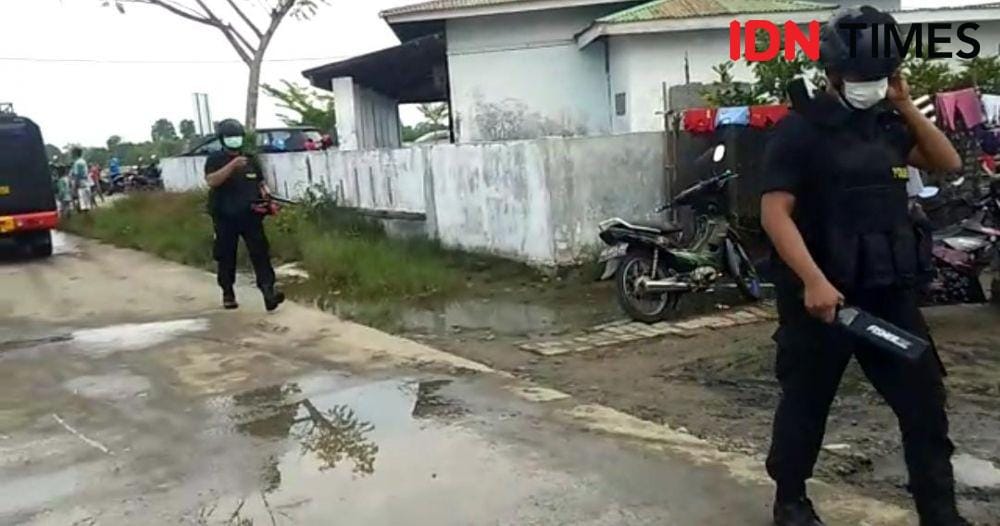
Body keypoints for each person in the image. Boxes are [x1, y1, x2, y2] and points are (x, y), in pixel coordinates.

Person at [760, 6, 967, 526]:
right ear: (832, 75)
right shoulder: (800, 132)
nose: (868, 86)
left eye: (878, 76)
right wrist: (813, 282)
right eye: (860, 78)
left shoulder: (889, 127)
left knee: (924, 405)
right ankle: (791, 502)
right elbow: (774, 213)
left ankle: (939, 513)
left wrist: (904, 104)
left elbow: (948, 163)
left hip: (888, 294)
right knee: (806, 405)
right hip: (823, 299)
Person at [204, 119, 284, 311]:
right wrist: (232, 166)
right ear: (223, 140)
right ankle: (228, 292)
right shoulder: (215, 159)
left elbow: (260, 183)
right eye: (230, 138)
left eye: (237, 137)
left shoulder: (250, 159)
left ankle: (268, 292)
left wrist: (267, 198)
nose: (235, 141)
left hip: (251, 216)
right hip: (225, 218)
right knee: (226, 256)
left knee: (261, 254)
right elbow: (211, 181)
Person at [70, 147, 92, 213]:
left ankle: (84, 220)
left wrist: (74, 187)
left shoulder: (76, 163)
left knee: (82, 204)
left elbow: (76, 175)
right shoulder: (83, 161)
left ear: (75, 153)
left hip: (80, 183)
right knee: (87, 204)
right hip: (86, 182)